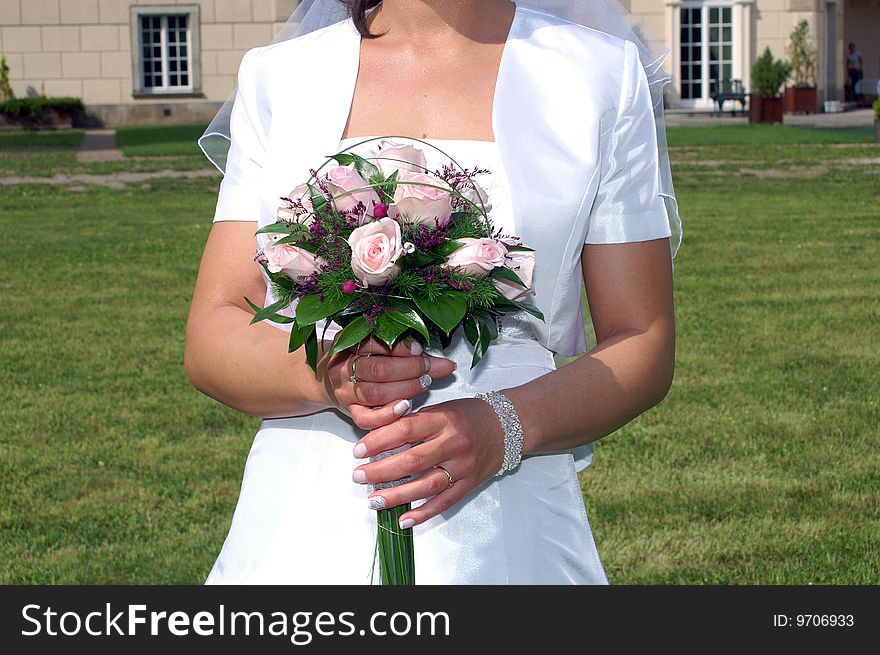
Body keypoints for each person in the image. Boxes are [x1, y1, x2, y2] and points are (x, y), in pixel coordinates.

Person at [185, 0, 680, 584]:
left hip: (508, 525)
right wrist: (328, 374)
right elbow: (212, 334)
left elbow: (643, 339)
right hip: (301, 523)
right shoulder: (281, 77)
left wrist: (506, 426)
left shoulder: (600, 75)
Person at [846, 42, 864, 107]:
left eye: (853, 47)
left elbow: (861, 62)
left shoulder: (858, 54)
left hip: (858, 71)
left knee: (859, 85)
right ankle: (855, 100)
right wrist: (848, 72)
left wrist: (859, 69)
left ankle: (860, 100)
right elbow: (847, 64)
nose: (852, 49)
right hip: (853, 71)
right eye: (850, 48)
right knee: (853, 86)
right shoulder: (849, 55)